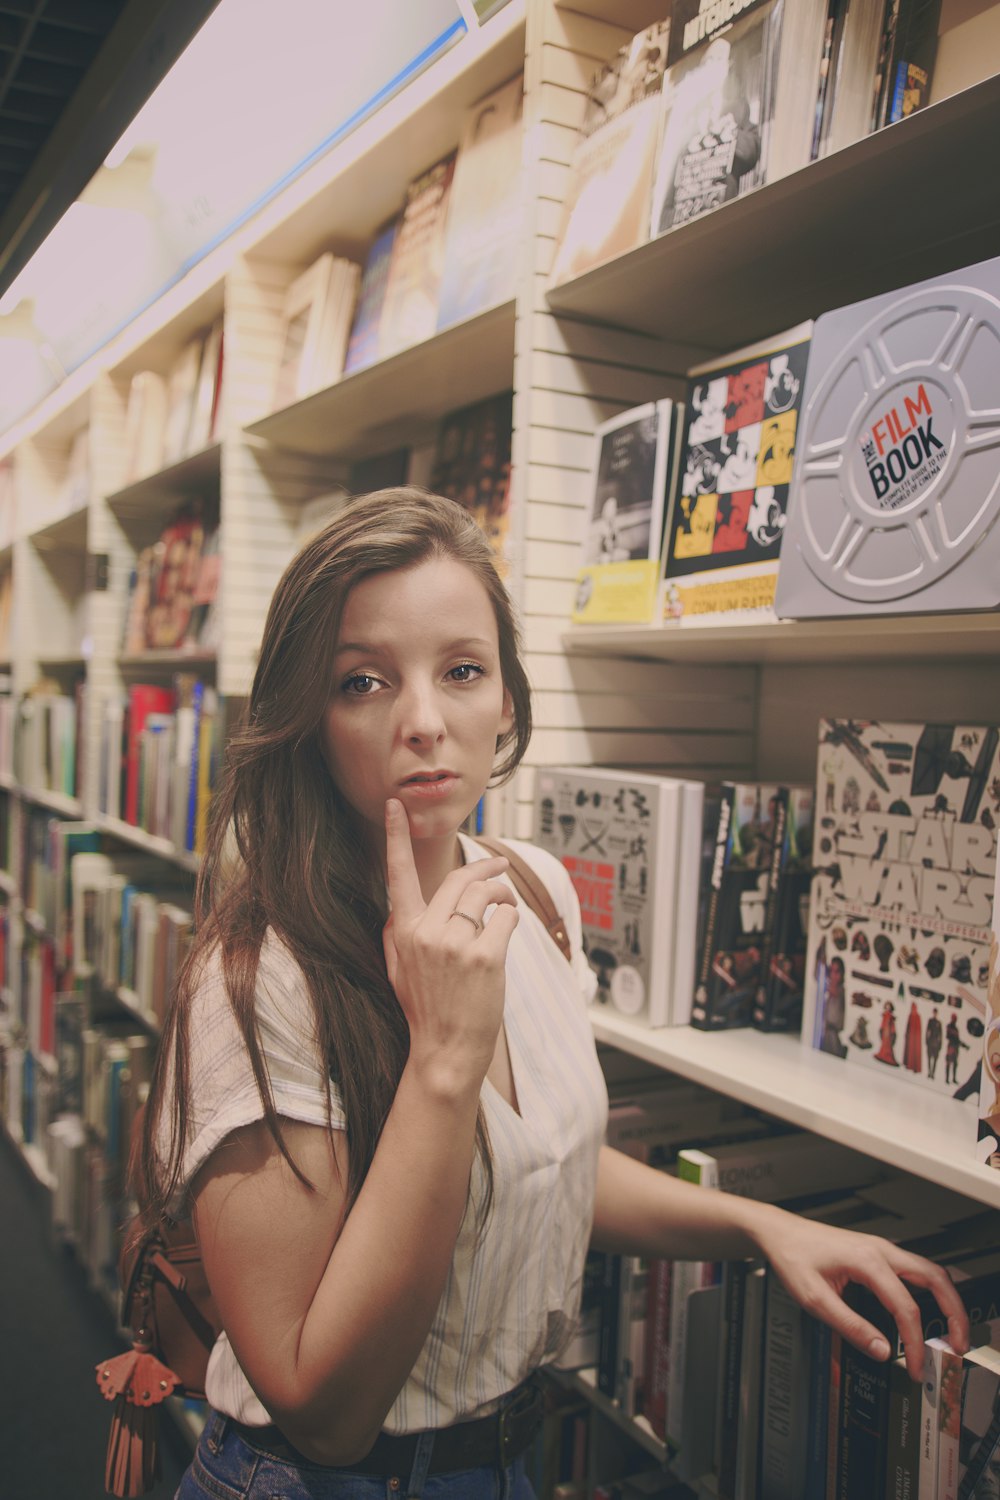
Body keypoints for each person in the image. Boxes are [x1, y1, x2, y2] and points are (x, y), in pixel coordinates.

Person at [134, 489, 968, 1500]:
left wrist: (756, 1226)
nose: (426, 722)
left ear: (508, 701)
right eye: (363, 680)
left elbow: (537, 1170)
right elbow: (325, 1407)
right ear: (307, 717)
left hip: (504, 1461)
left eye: (462, 671)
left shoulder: (529, 889)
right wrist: (441, 1064)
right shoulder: (263, 976)